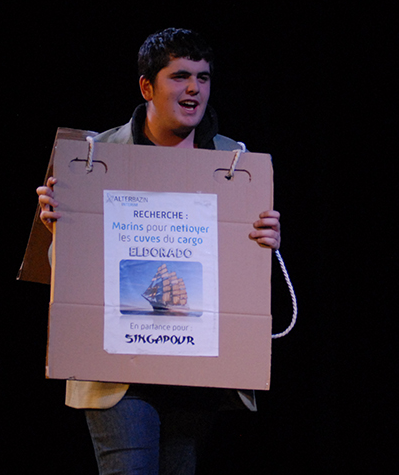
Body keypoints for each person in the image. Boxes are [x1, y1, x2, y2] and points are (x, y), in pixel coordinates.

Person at [36, 27, 281, 474]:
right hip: (117, 370)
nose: (194, 89)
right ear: (147, 87)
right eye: (180, 76)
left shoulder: (233, 163)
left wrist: (262, 244)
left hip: (193, 367)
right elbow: (63, 275)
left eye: (203, 78)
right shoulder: (95, 157)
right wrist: (61, 229)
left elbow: (238, 277)